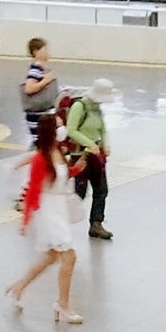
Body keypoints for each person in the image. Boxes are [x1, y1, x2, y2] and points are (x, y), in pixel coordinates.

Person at [6, 112, 85, 324]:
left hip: (58, 207)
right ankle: (63, 304)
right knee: (69, 256)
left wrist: (77, 169)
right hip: (49, 211)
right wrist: (25, 220)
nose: (62, 128)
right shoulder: (41, 158)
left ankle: (18, 287)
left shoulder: (59, 152)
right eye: (59, 125)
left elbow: (61, 179)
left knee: (51, 255)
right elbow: (33, 190)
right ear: (51, 131)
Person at [66, 78, 116, 240]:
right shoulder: (79, 107)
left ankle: (96, 223)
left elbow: (103, 129)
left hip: (96, 155)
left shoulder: (97, 109)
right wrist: (88, 144)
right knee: (78, 192)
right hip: (81, 155)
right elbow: (71, 130)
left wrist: (105, 144)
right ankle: (59, 221)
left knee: (101, 189)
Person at [21, 38, 59, 139]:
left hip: (44, 113)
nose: (47, 52)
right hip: (38, 115)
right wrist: (45, 81)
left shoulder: (43, 68)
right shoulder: (35, 69)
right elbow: (29, 89)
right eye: (44, 49)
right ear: (36, 52)